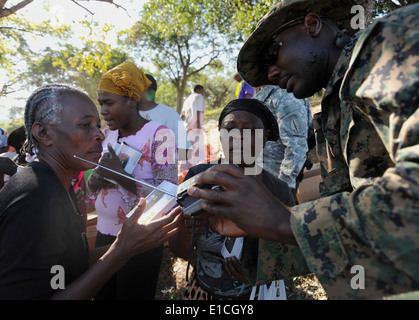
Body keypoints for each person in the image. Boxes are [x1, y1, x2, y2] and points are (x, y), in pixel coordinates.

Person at [186, 0, 419, 299]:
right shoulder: (336, 105)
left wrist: (283, 220)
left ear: (312, 25)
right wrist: (258, 255)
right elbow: (352, 212)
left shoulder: (390, 43)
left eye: (273, 53)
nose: (271, 74)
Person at [0, 83, 181, 300]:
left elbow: (69, 262)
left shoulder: (57, 185)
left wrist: (126, 246)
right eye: (85, 125)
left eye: (98, 125)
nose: (100, 135)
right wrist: (120, 251)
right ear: (43, 133)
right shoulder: (36, 198)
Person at [170, 98, 294, 300]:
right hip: (202, 292)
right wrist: (186, 231)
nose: (239, 137)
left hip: (256, 294)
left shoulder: (277, 191)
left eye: (252, 131)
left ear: (266, 136)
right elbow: (180, 251)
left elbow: (290, 258)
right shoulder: (198, 179)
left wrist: (259, 273)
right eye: (229, 129)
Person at [87, 62, 178, 300]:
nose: (103, 111)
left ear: (131, 100)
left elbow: (168, 195)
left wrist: (122, 177)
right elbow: (93, 186)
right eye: (101, 104)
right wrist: (95, 181)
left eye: (109, 103)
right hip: (104, 233)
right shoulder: (106, 134)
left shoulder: (160, 135)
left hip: (141, 239)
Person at [254, 85, 313, 196]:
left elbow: (297, 147)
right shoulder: (262, 95)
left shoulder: (285, 95)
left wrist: (282, 186)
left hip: (276, 183)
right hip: (262, 181)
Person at [139, 74, 192, 163]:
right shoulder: (126, 114)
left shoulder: (169, 114)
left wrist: (153, 155)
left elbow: (186, 152)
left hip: (160, 176)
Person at [181, 85, 206, 165]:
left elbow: (182, 115)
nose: (203, 92)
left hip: (187, 129)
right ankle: (196, 171)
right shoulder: (199, 97)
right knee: (200, 151)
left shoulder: (188, 99)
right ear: (198, 90)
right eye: (203, 90)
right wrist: (198, 127)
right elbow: (199, 111)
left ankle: (181, 172)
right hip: (195, 128)